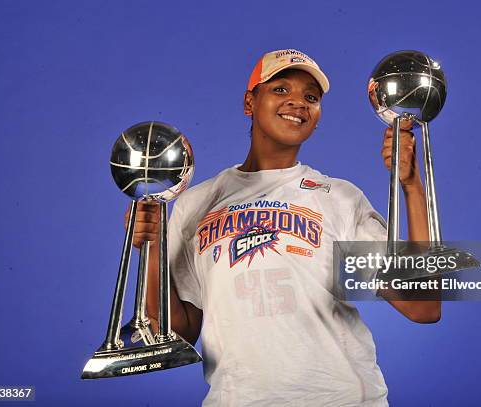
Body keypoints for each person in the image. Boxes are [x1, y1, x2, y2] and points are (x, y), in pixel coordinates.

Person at [129, 49, 440, 406]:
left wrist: (413, 186)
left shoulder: (338, 198)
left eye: (311, 96)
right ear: (250, 102)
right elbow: (177, 333)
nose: (298, 102)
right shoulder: (197, 204)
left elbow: (423, 306)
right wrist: (150, 249)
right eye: (280, 89)